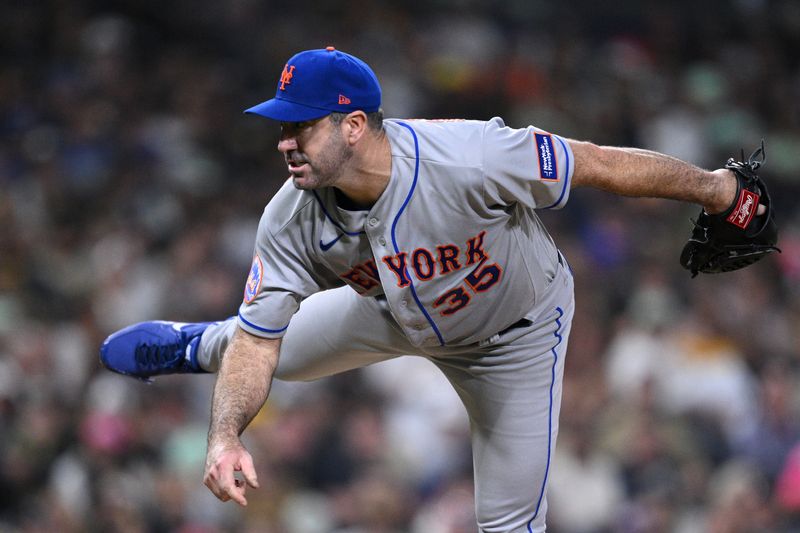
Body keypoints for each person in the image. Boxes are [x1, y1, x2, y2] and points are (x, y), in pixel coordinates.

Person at [99, 46, 744, 533]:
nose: (284, 140)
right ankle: (196, 345)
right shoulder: (289, 216)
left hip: (511, 337)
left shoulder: (470, 156)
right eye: (282, 125)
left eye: (302, 126)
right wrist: (224, 436)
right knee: (266, 348)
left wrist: (719, 190)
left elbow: (599, 162)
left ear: (353, 125)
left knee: (509, 525)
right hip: (393, 311)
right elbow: (263, 344)